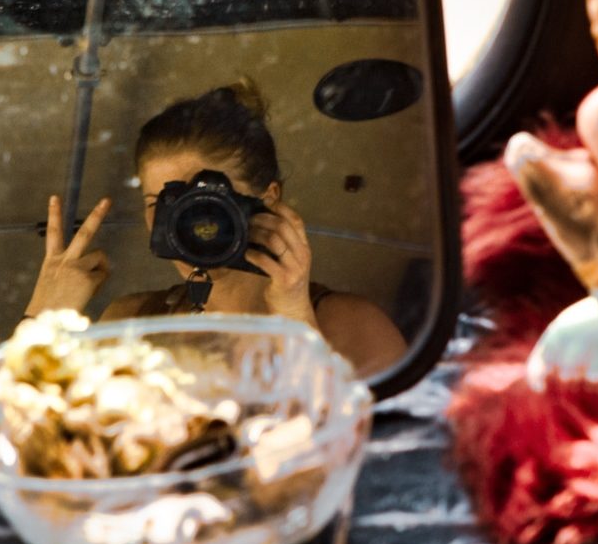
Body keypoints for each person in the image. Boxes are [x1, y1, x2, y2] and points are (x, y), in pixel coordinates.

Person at [24, 82, 409, 376]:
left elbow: (363, 461)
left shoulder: (352, 326)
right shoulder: (129, 322)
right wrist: (43, 317)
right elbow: (29, 448)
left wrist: (295, 317)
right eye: (163, 204)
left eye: (205, 200)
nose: (190, 219)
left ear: (268, 199)